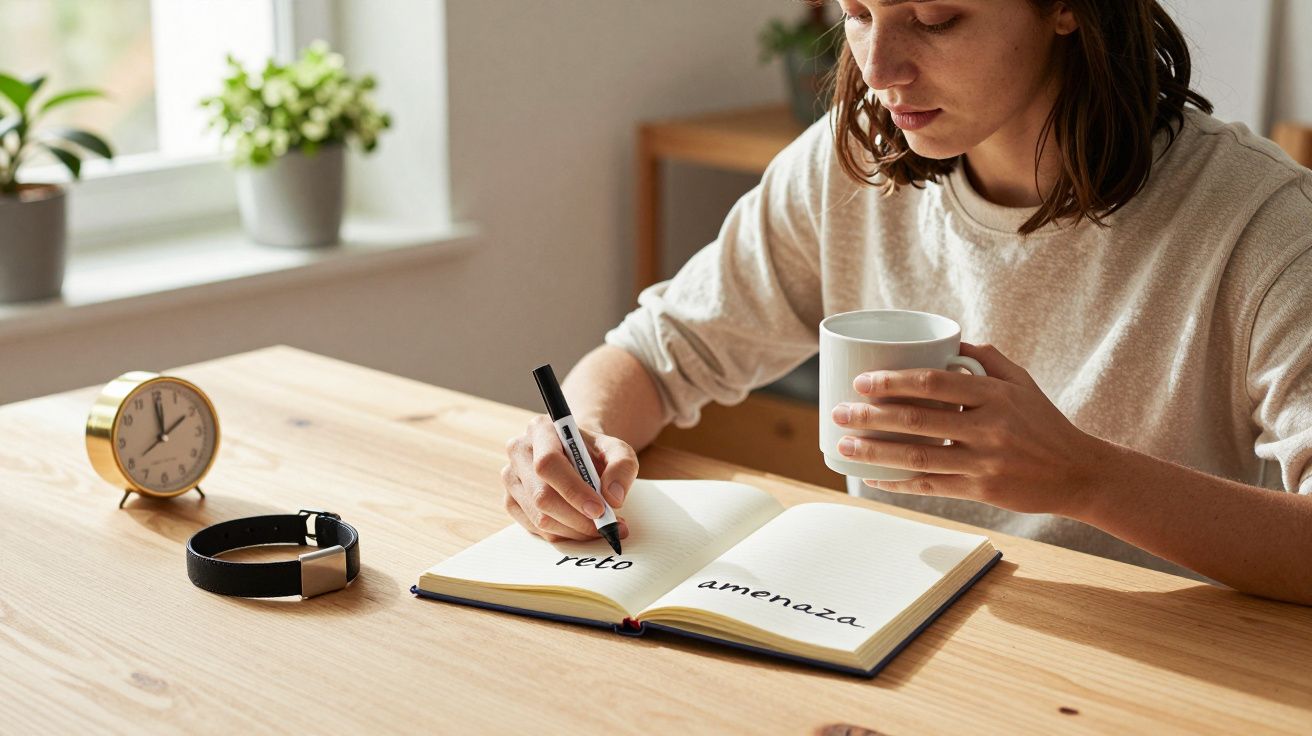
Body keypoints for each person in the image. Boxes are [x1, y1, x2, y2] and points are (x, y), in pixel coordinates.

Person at [499, 0, 1312, 605]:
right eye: (857, 12)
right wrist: (580, 443)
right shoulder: (846, 165)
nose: (880, 69)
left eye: (936, 18)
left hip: (1161, 679)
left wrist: (1085, 479)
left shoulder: (1262, 223)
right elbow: (654, 352)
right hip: (892, 637)